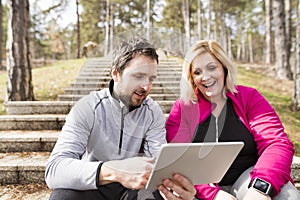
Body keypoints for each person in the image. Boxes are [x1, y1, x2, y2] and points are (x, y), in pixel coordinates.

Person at [45, 37, 196, 200]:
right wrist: (116, 171)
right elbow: (54, 170)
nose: (146, 87)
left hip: (134, 189)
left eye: (151, 79)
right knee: (62, 196)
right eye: (138, 76)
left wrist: (173, 188)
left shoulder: (152, 112)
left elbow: (160, 161)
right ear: (116, 74)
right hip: (94, 186)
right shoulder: (87, 107)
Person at [165, 40, 300, 200]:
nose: (205, 77)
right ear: (191, 77)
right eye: (197, 72)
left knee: (288, 196)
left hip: (247, 177)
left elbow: (276, 143)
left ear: (224, 68)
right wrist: (213, 195)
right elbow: (179, 158)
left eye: (211, 67)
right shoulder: (182, 108)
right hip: (200, 186)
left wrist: (260, 188)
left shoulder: (249, 97)